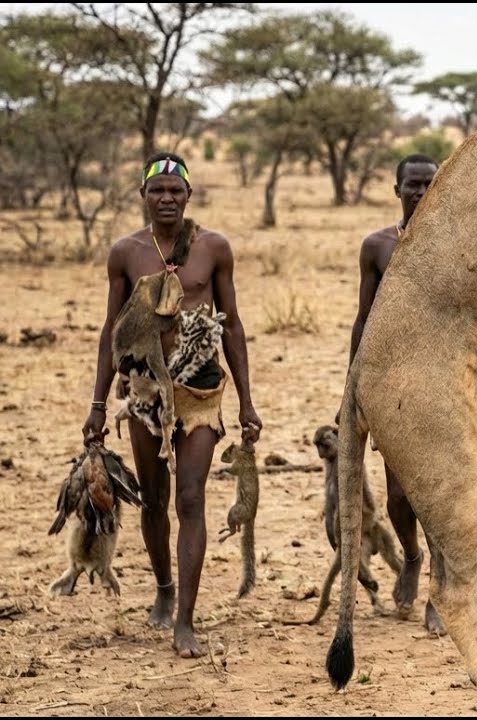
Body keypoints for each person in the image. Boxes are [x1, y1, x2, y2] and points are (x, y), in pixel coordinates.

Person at [82, 152, 261, 658]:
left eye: (174, 191)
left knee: (190, 498)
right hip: (144, 392)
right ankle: (163, 587)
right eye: (156, 190)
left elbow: (234, 325)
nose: (166, 199)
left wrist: (246, 400)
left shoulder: (213, 249)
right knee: (155, 500)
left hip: (201, 390)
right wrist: (98, 404)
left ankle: (185, 617)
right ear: (142, 196)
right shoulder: (125, 253)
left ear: (188, 196)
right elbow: (111, 333)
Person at [343, 153, 445, 634]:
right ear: (397, 189)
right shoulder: (378, 247)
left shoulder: (454, 245)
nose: (421, 194)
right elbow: (363, 321)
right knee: (400, 498)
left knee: (441, 493)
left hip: (443, 384)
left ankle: (442, 591)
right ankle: (410, 554)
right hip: (391, 386)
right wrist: (353, 391)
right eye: (413, 186)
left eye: (430, 185)